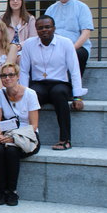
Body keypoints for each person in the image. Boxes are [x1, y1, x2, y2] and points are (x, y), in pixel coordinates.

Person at [20, 15, 86, 151]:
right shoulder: (29, 44)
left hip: (60, 84)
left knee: (58, 93)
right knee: (33, 94)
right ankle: (28, 138)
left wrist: (77, 96)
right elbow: (24, 71)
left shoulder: (66, 43)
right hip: (39, 84)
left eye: (47, 27)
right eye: (40, 28)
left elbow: (74, 70)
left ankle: (65, 139)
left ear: (54, 28)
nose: (44, 30)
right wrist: (23, 94)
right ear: (36, 29)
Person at [0, 62, 40, 206]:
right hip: (7, 133)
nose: (7, 78)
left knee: (12, 151)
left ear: (18, 76)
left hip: (27, 136)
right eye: (4, 75)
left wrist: (14, 138)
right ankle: (2, 191)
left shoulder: (30, 94)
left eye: (11, 75)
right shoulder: (0, 94)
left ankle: (12, 191)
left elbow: (34, 124)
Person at [45, 0, 94, 76]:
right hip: (55, 47)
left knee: (76, 55)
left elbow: (86, 32)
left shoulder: (82, 7)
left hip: (77, 47)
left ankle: (74, 87)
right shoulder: (51, 9)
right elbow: (45, 31)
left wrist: (72, 48)